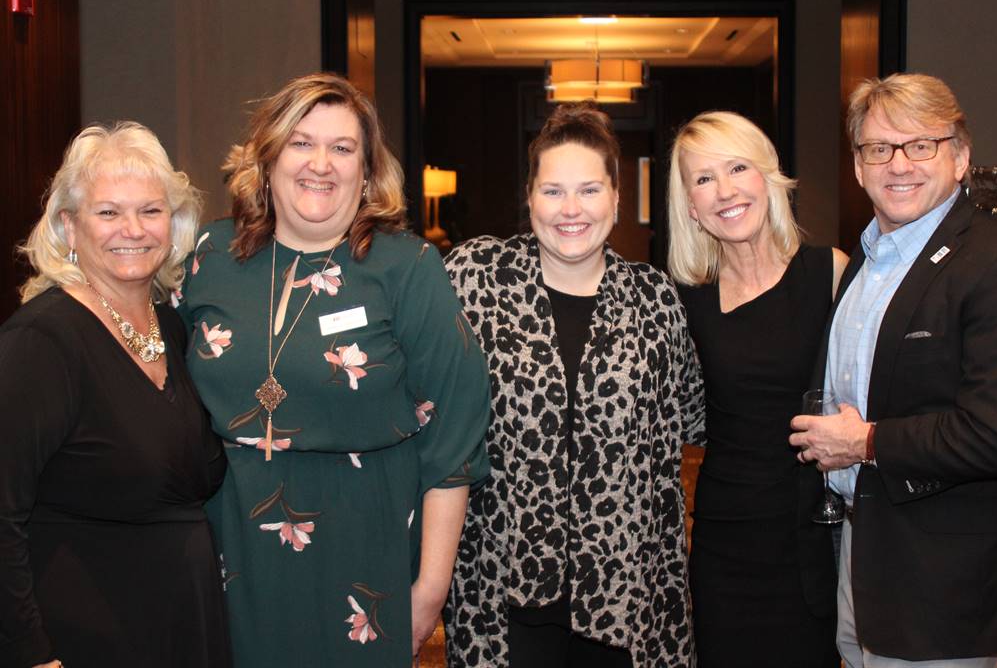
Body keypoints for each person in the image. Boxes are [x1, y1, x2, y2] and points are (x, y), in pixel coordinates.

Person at [175, 72, 490, 667]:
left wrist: (431, 586)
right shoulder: (211, 256)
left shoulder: (407, 267)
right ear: (268, 159)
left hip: (364, 552)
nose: (320, 163)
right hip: (227, 546)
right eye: (301, 143)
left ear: (366, 172)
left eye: (342, 148)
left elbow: (455, 434)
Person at [790, 73, 997, 667]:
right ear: (858, 167)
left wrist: (864, 442)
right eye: (879, 148)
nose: (899, 164)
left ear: (960, 158)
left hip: (940, 579)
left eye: (920, 145)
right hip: (859, 551)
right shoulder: (864, 262)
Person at [442, 101, 705, 668]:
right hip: (502, 591)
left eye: (589, 190)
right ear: (529, 196)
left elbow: (689, 421)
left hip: (626, 598)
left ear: (616, 197)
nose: (570, 209)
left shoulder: (655, 300)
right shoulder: (474, 279)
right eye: (553, 190)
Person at [0, 122, 228, 667]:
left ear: (173, 225)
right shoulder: (42, 341)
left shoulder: (173, 328)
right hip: (81, 640)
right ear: (69, 226)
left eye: (151, 211)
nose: (133, 229)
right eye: (108, 212)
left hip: (181, 627)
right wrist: (31, 654)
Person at [666, 110, 845, 668]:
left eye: (738, 167)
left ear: (768, 177)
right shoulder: (684, 299)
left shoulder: (830, 273)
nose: (725, 190)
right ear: (690, 206)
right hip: (725, 534)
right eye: (704, 178)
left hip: (812, 530)